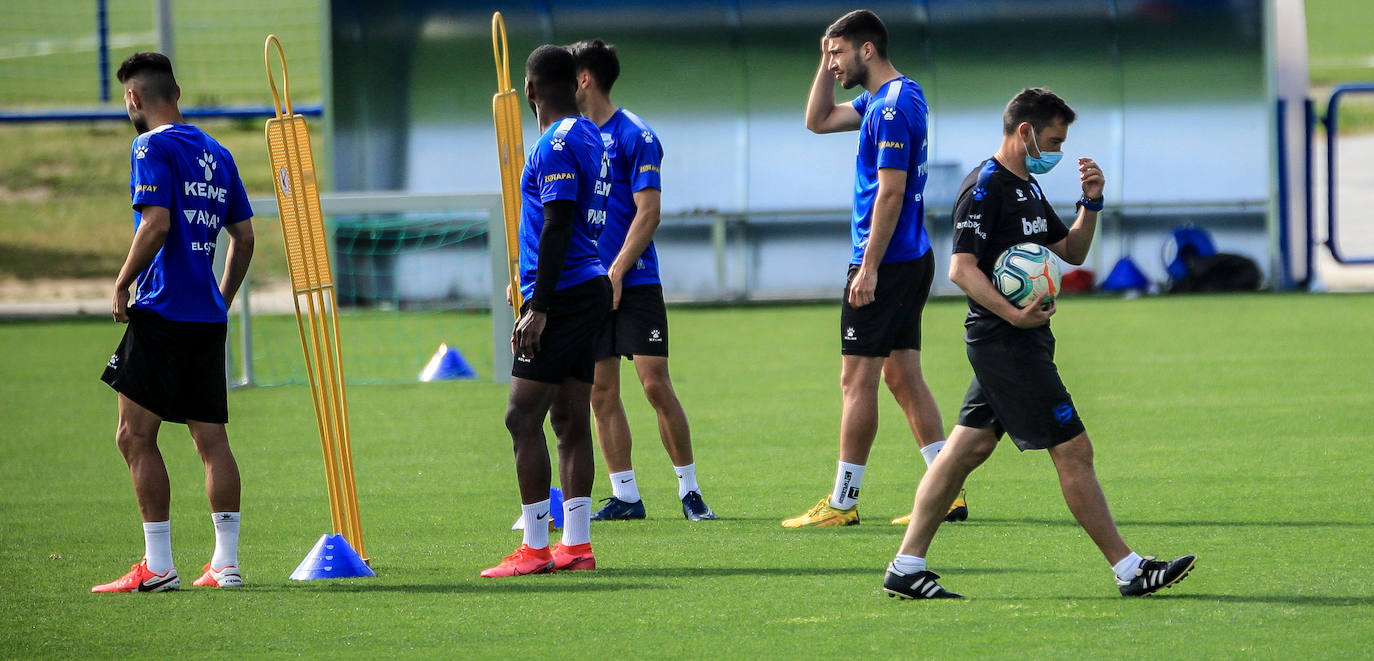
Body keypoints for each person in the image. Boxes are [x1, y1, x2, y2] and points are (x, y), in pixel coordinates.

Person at [882, 87, 1195, 599]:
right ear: (1024, 132)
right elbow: (961, 269)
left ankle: (906, 566)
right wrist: (1014, 314)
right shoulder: (985, 186)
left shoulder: (1026, 188)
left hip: (1022, 337)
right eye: (1053, 141)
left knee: (965, 450)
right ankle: (1129, 569)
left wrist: (1090, 203)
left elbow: (1071, 250)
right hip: (1005, 340)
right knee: (1074, 450)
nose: (1058, 152)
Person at [784, 9, 963, 529]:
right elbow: (817, 121)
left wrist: (868, 267)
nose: (833, 63)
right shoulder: (897, 95)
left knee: (854, 379)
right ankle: (946, 490)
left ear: (867, 50)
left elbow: (891, 191)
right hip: (909, 258)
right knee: (902, 374)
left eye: (838, 53)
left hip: (886, 263)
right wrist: (823, 61)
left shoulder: (887, 110)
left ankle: (843, 500)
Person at [92, 52, 255, 593]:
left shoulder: (149, 146)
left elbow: (156, 224)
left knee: (134, 436)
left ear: (134, 99)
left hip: (162, 311)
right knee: (212, 441)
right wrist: (220, 298)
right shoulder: (218, 151)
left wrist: (121, 281)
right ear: (177, 91)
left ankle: (158, 565)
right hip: (205, 318)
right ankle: (225, 565)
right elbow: (245, 237)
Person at [566, 38, 716, 523]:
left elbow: (648, 213)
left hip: (636, 280)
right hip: (588, 283)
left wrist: (617, 271)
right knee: (600, 391)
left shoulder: (636, 135)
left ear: (585, 78)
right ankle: (626, 495)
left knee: (654, 385)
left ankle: (690, 491)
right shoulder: (571, 138)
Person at [482, 44, 614, 577]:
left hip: (562, 295)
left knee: (521, 415)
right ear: (578, 83)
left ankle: (535, 546)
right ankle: (576, 545)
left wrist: (537, 305)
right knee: (567, 416)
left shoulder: (556, 142)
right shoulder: (592, 137)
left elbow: (559, 221)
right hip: (590, 288)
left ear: (530, 90)